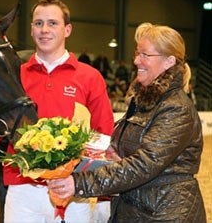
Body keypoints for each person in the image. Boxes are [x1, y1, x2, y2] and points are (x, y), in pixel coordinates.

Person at [48, 22, 206, 223]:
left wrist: (79, 183)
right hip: (138, 208)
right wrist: (115, 155)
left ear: (169, 61)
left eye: (145, 55)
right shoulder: (144, 101)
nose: (137, 61)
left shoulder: (176, 108)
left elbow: (144, 165)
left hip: (166, 212)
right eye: (137, 53)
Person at [3, 0, 115, 223]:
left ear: (68, 30)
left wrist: (99, 192)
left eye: (53, 23)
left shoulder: (90, 77)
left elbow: (102, 135)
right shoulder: (14, 77)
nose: (44, 30)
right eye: (38, 23)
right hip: (23, 190)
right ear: (32, 29)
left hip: (74, 190)